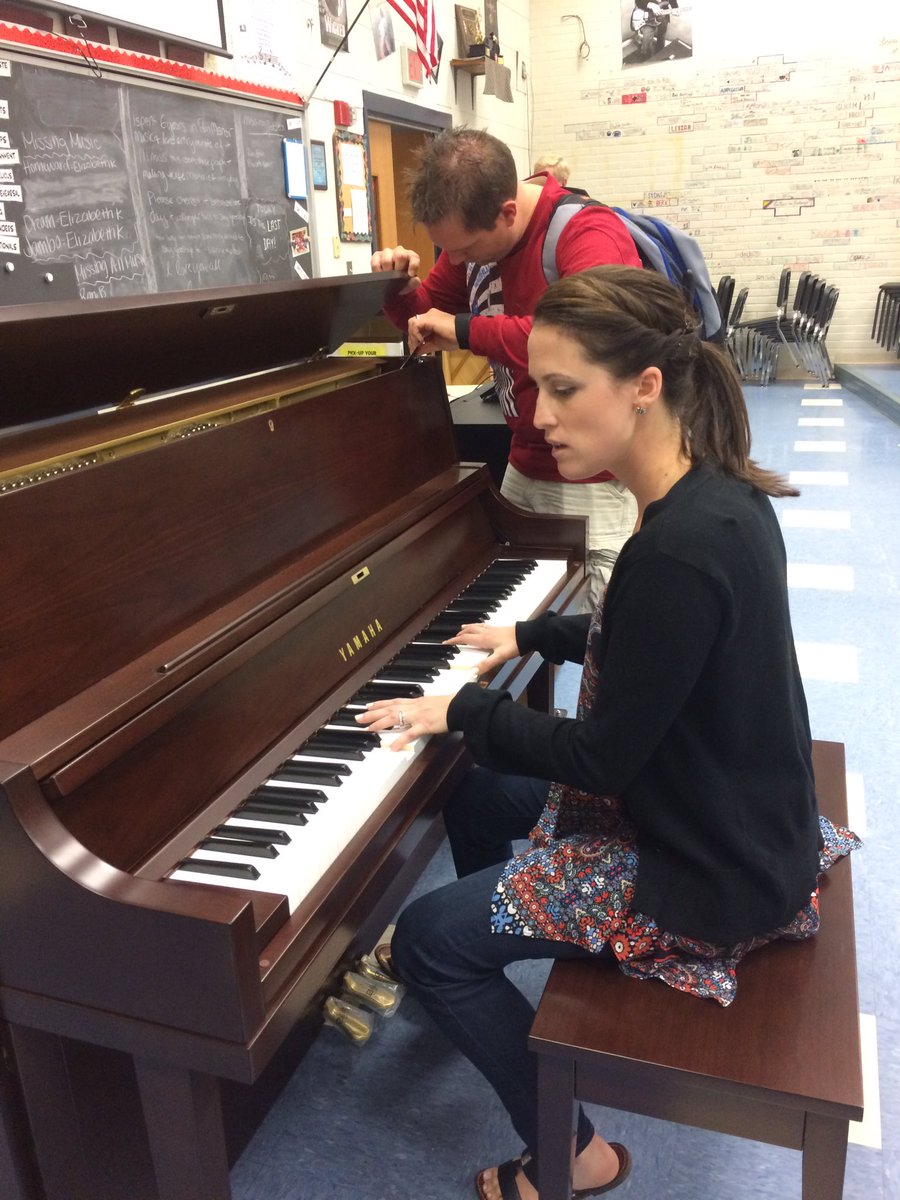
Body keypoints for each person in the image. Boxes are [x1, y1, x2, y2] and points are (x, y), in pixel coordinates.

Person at [357, 265, 860, 1200]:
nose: (538, 414)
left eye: (563, 388)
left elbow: (601, 759)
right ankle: (493, 948)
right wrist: (533, 634)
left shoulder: (677, 548)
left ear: (644, 386)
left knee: (425, 936)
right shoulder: (719, 495)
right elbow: (654, 641)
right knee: (476, 793)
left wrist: (466, 709)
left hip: (704, 868)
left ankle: (574, 1154)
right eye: (533, 387)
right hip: (721, 806)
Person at [370, 128, 642, 609]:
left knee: (597, 627)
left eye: (465, 248)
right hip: (526, 461)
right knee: (514, 619)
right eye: (445, 250)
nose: (455, 261)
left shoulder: (588, 234)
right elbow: (428, 317)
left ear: (508, 212)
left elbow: (587, 339)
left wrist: (466, 330)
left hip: (592, 476)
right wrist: (398, 289)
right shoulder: (473, 243)